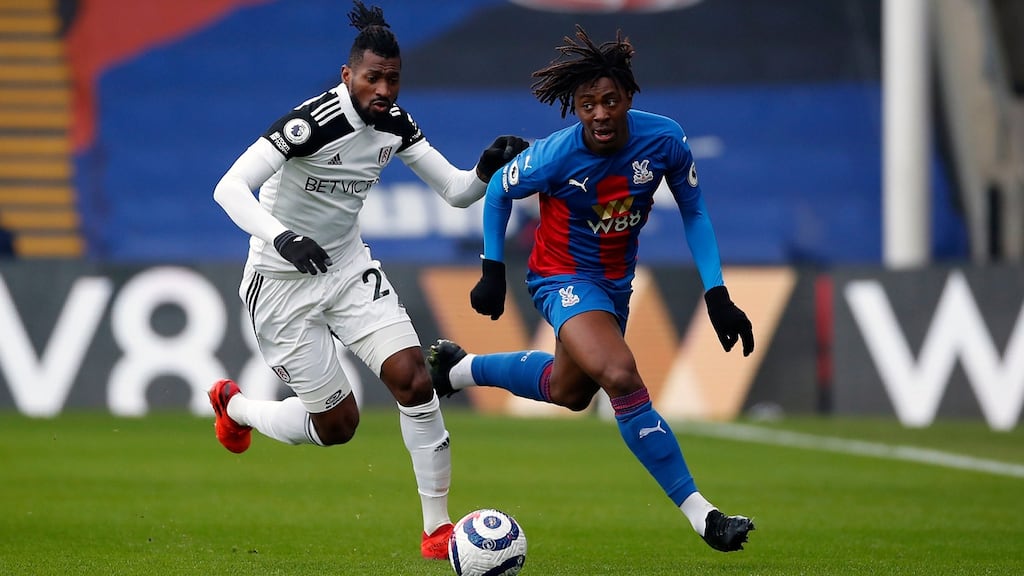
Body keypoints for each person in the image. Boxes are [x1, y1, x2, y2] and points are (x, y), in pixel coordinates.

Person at [207, 1, 528, 561]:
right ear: (347, 75)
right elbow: (229, 188)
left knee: (414, 380)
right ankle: (236, 409)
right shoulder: (309, 125)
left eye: (393, 79)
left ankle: (437, 530)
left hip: (347, 269)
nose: (383, 89)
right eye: (372, 77)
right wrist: (282, 238)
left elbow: (456, 192)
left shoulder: (396, 125)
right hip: (281, 283)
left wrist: (484, 169)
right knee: (338, 425)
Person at [427, 25, 756, 553]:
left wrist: (717, 294)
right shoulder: (555, 155)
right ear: (575, 109)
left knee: (570, 391)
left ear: (628, 97)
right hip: (560, 279)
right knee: (621, 375)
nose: (599, 114)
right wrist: (492, 269)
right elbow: (499, 190)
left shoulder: (665, 140)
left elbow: (694, 211)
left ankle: (457, 370)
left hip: (614, 286)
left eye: (609, 101)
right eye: (587, 105)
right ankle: (704, 516)